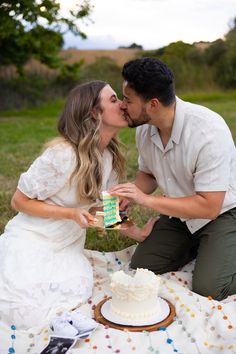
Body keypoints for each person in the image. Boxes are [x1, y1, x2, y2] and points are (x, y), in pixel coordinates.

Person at [0, 80, 155, 330]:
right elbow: (18, 201)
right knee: (22, 310)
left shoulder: (109, 158)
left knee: (76, 291)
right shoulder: (62, 155)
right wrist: (70, 213)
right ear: (94, 112)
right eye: (113, 100)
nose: (123, 105)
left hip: (67, 247)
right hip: (32, 239)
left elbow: (103, 212)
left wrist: (137, 233)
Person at [109, 58, 236, 301]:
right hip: (180, 213)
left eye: (128, 100)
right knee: (142, 266)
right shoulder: (145, 129)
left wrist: (145, 200)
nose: (123, 105)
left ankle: (221, 245)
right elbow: (149, 174)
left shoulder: (208, 131)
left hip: (224, 213)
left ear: (153, 104)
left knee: (210, 289)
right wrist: (127, 196)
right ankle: (206, 247)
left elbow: (210, 207)